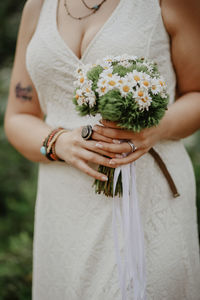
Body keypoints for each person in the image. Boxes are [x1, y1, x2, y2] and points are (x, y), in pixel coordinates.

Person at [4, 0, 200, 299]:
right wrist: (58, 142)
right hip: (64, 207)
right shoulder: (38, 6)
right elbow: (19, 116)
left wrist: (156, 127)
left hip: (146, 197)